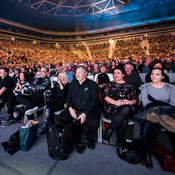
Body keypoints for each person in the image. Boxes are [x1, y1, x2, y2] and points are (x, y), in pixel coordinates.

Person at [134, 68, 175, 169]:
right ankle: (147, 154)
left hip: (166, 112)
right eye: (152, 74)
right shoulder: (145, 87)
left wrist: (158, 105)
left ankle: (147, 154)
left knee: (164, 124)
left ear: (162, 77)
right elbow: (145, 103)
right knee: (155, 125)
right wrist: (159, 105)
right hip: (150, 111)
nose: (154, 76)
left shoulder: (170, 88)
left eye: (157, 74)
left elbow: (173, 104)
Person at [56, 65, 100, 152]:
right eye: (76, 72)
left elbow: (94, 101)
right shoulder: (72, 84)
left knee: (94, 122)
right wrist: (70, 109)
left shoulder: (93, 85)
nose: (77, 74)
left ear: (86, 74)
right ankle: (73, 137)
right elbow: (68, 99)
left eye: (79, 72)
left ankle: (90, 139)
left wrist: (85, 113)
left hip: (89, 109)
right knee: (60, 118)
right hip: (75, 108)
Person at [102, 66, 137, 159]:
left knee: (125, 109)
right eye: (114, 73)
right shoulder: (110, 84)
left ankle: (109, 132)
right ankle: (119, 145)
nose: (116, 75)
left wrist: (129, 102)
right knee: (124, 119)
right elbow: (105, 96)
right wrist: (115, 102)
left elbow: (135, 99)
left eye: (118, 73)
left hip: (127, 107)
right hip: (112, 107)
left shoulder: (130, 85)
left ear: (123, 74)